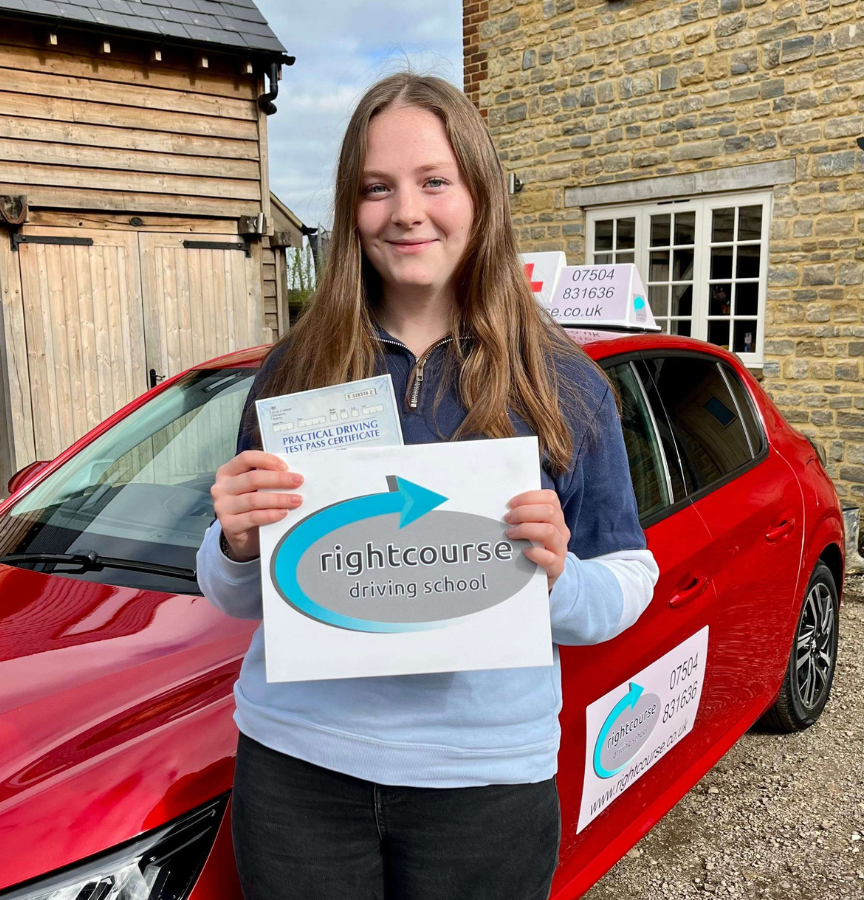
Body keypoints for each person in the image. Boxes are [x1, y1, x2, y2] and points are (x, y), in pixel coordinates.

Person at [196, 72, 659, 900]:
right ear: (351, 209)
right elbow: (243, 594)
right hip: (298, 772)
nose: (406, 211)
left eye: (434, 181)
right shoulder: (295, 370)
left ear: (480, 195)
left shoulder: (563, 382)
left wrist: (555, 579)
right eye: (377, 188)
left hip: (484, 784)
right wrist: (233, 543)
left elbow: (627, 581)